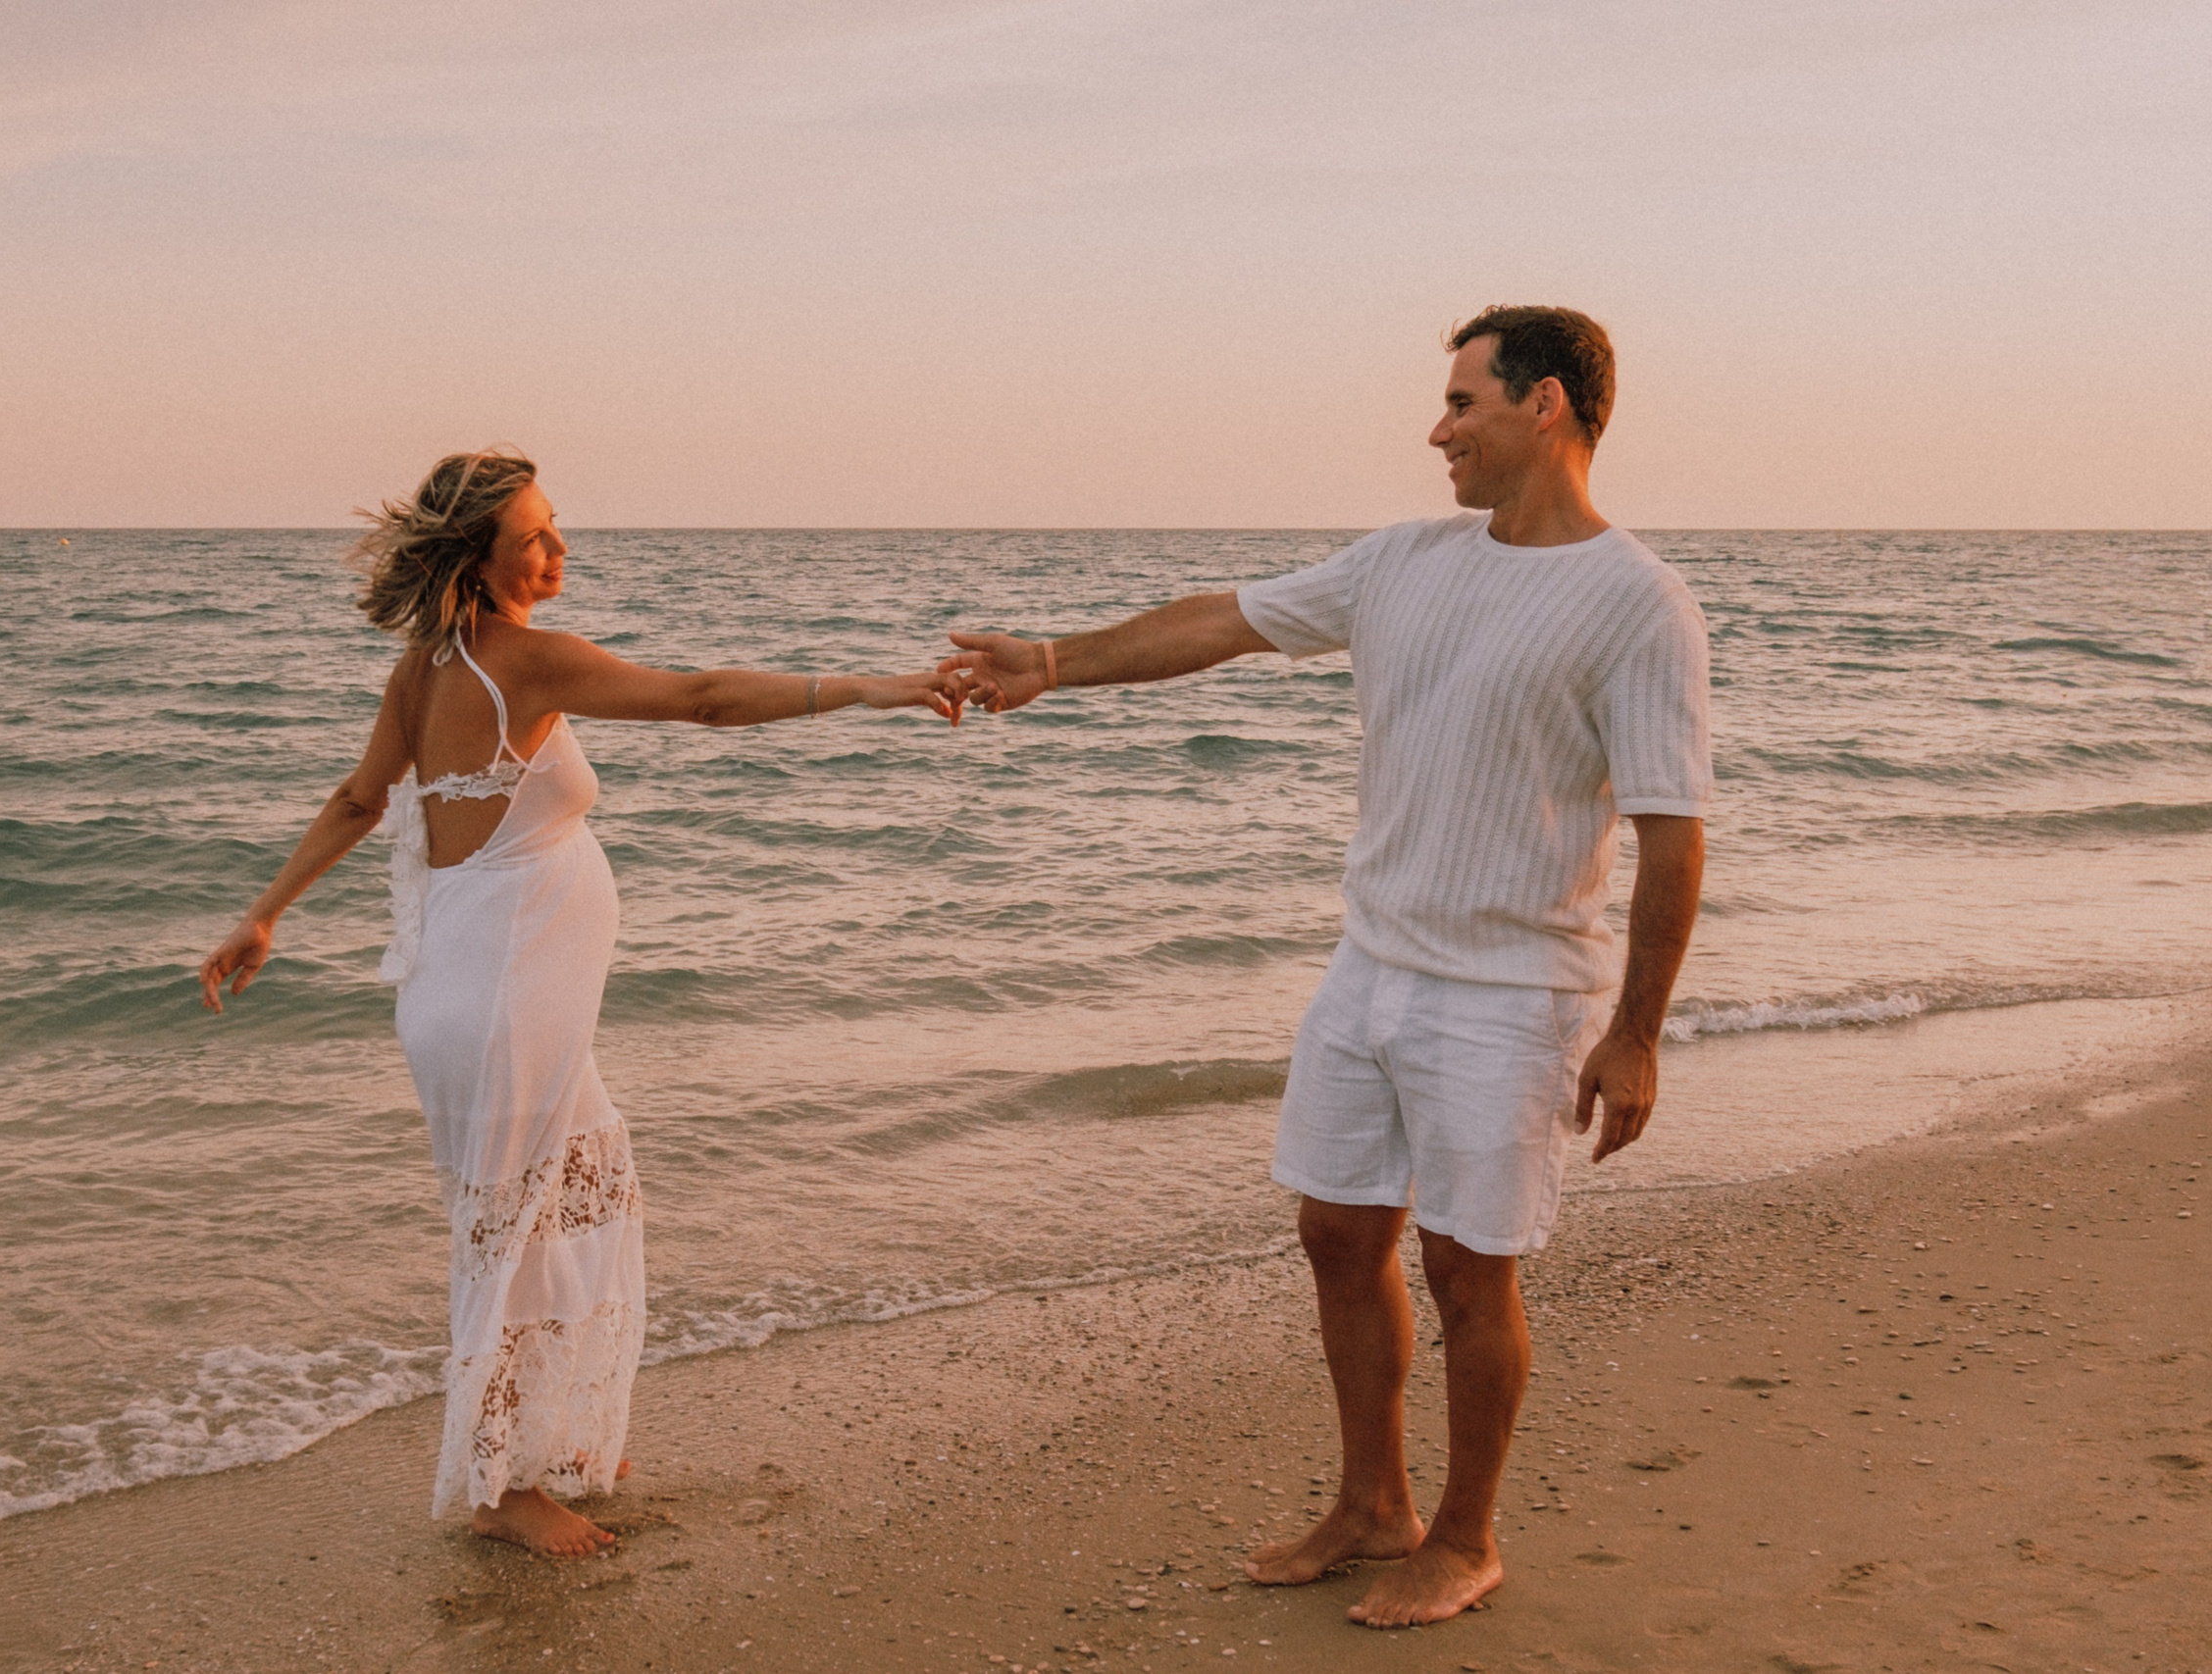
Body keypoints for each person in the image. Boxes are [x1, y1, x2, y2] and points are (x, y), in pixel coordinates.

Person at [942, 307, 1710, 1627]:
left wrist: (1635, 1029)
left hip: (1513, 989)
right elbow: (1222, 622)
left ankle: (1465, 1536)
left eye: (1464, 402)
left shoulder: (1637, 600)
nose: (1437, 428)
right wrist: (1056, 664)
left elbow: (1672, 830)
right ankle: (1374, 1502)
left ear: (1547, 408)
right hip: (1372, 965)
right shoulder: (1406, 559)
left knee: (1471, 1269)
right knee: (1336, 1231)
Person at [199, 450, 964, 1557]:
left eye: (556, 530)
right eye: (536, 538)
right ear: (480, 556)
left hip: (476, 993)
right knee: (512, 1237)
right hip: (499, 997)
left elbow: (360, 799)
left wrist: (262, 914)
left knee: (573, 1207)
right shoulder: (528, 661)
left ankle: (546, 1443)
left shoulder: (426, 670)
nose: (559, 551)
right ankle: (502, 1490)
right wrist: (864, 686)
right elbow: (699, 701)